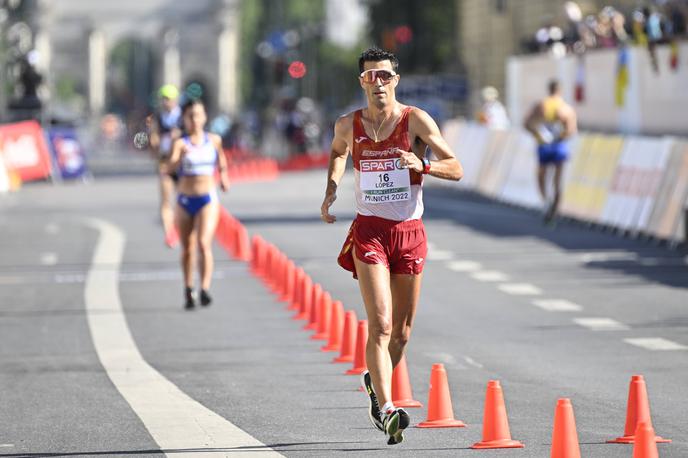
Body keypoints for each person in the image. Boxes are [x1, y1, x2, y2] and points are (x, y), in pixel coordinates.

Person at [320, 47, 463, 445]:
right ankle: (387, 408)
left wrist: (425, 165)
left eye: (385, 76)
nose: (378, 83)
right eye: (370, 77)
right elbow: (337, 152)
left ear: (395, 81)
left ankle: (374, 384)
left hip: (409, 232)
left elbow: (457, 166)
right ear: (361, 82)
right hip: (370, 232)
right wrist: (332, 187)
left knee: (401, 332)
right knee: (380, 325)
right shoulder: (349, 124)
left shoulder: (414, 120)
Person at [167, 99, 230, 310]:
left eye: (198, 115)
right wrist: (179, 159)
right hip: (185, 199)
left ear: (204, 117)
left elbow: (221, 161)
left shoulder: (214, 140)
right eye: (190, 116)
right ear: (184, 119)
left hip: (207, 199)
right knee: (187, 248)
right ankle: (188, 288)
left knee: (204, 243)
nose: (195, 120)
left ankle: (204, 288)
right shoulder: (180, 143)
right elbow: (169, 168)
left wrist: (224, 177)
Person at [524, 79, 577, 224]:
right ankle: (554, 209)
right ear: (560, 91)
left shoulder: (541, 105)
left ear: (549, 90)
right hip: (559, 145)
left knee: (541, 174)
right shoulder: (566, 108)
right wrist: (559, 135)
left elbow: (526, 123)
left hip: (544, 145)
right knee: (557, 179)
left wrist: (539, 134)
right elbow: (572, 130)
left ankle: (546, 201)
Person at [149, 84, 184, 247]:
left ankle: (180, 228)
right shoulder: (156, 117)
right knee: (165, 200)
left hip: (181, 163)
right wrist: (153, 142)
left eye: (168, 99)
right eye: (163, 99)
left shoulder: (184, 116)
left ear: (175, 99)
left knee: (182, 199)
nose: (165, 102)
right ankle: (169, 233)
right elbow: (152, 136)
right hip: (164, 161)